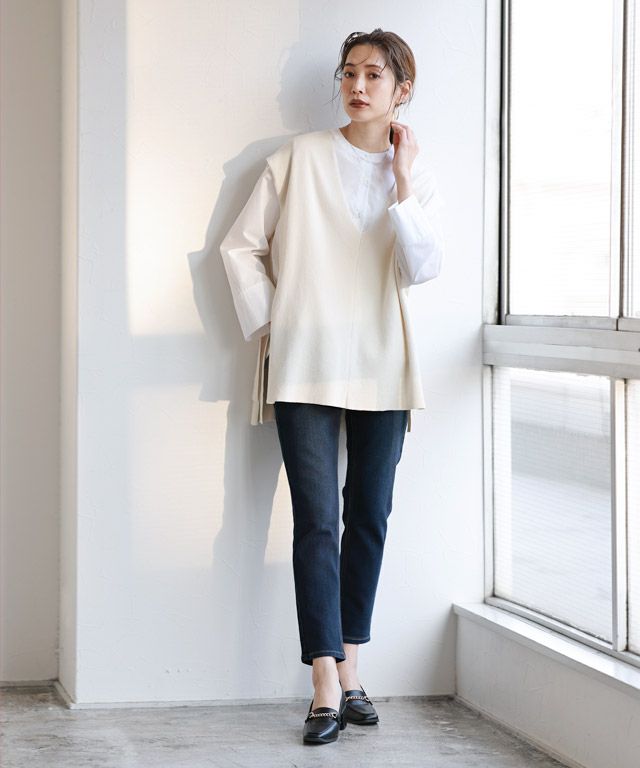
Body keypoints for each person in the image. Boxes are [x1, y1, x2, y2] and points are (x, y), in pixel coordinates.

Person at [220, 28, 445, 745]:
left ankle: (352, 669)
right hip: (305, 362)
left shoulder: (415, 174)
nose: (358, 86)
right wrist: (275, 324)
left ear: (402, 90)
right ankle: (324, 681)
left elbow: (421, 268)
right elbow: (239, 247)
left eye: (375, 75)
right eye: (350, 73)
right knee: (317, 521)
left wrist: (402, 180)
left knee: (369, 517)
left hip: (384, 362)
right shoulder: (299, 158)